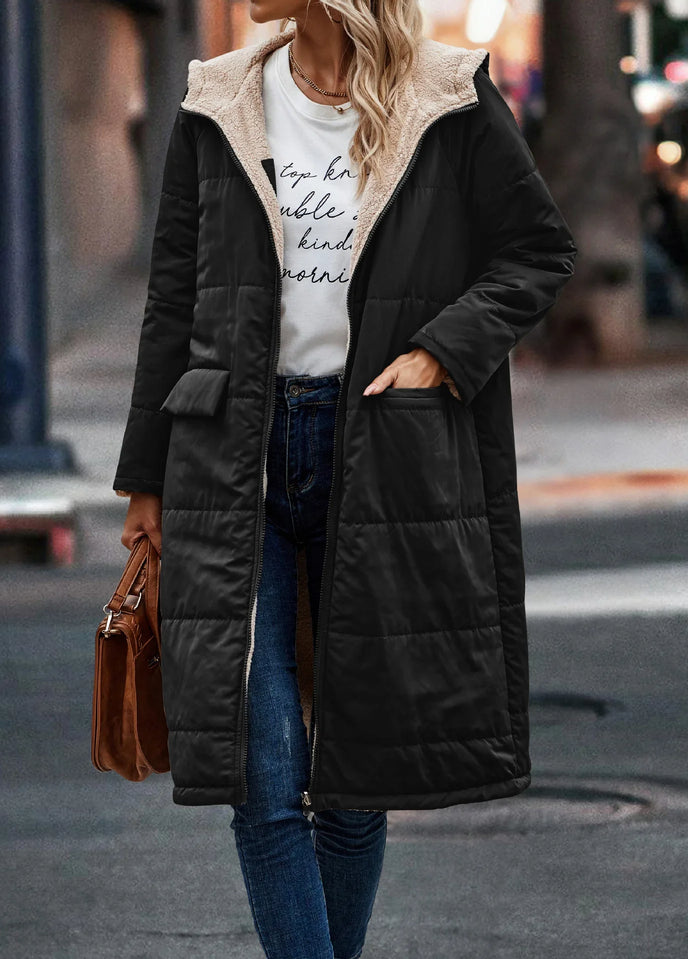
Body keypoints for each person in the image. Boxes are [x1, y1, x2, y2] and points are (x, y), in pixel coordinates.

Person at [113, 3, 577, 957]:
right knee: (265, 777)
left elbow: (538, 249)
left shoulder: (445, 96)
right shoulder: (220, 100)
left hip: (383, 451)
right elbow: (172, 297)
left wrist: (443, 353)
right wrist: (145, 481)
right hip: (232, 454)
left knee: (357, 778)